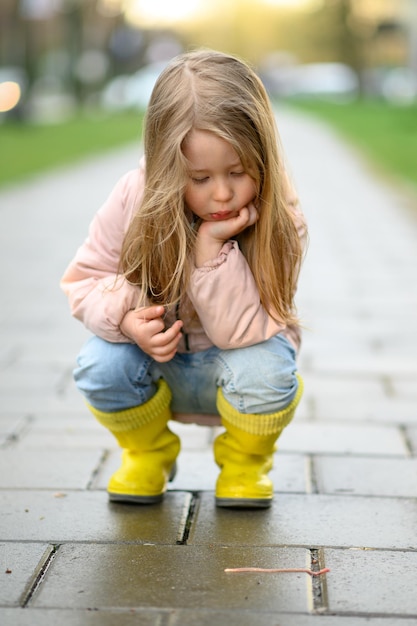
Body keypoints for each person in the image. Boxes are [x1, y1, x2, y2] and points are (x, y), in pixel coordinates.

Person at [60, 49, 307, 509]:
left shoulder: (279, 218)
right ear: (165, 169)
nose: (223, 192)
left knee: (271, 370)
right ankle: (148, 455)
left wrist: (209, 251)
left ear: (263, 157)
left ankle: (244, 464)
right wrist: (128, 318)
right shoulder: (133, 198)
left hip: (235, 367)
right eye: (200, 177)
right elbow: (85, 280)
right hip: (158, 364)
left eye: (238, 172)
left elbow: (242, 333)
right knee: (99, 365)